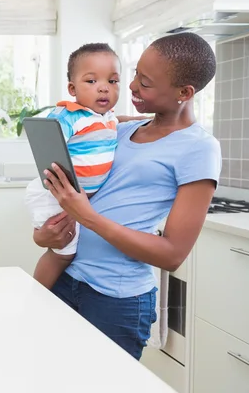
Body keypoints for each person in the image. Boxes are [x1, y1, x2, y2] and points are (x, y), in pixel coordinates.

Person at [34, 32, 221, 360]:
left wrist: (87, 217)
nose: (132, 87)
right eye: (134, 74)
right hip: (67, 278)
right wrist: (45, 234)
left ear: (184, 92)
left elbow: (172, 254)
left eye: (145, 83)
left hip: (116, 300)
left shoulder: (199, 148)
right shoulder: (117, 130)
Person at [24, 43, 120, 290]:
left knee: (67, 249)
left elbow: (120, 121)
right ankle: (36, 296)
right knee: (62, 252)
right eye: (91, 81)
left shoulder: (107, 118)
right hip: (53, 194)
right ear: (72, 88)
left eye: (112, 81)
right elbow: (48, 140)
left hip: (73, 197)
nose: (103, 87)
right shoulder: (69, 115)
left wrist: (146, 120)